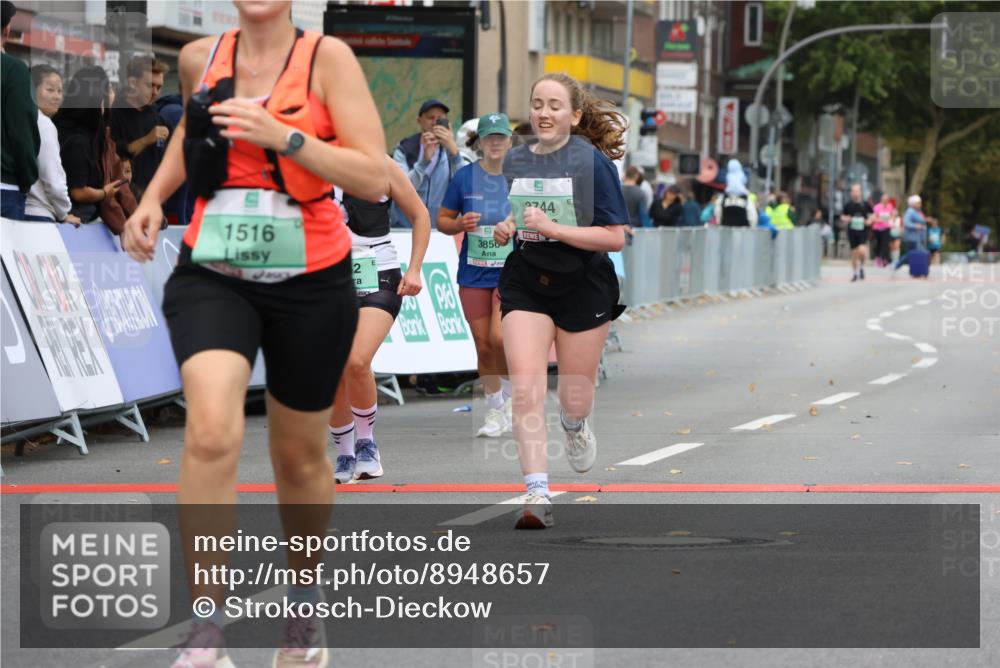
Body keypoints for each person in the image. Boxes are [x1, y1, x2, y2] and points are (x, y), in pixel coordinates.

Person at [120, 1, 388, 665]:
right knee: (211, 429)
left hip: (312, 278)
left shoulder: (327, 59)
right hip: (214, 270)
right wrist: (152, 201)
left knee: (298, 458)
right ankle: (206, 629)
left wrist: (285, 137)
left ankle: (303, 609)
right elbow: (191, 142)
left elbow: (374, 175)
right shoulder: (198, 58)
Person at [492, 72, 627, 529]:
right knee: (526, 387)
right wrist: (507, 227)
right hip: (527, 280)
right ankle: (536, 492)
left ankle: (575, 425)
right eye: (537, 104)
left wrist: (554, 230)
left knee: (574, 396)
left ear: (574, 114)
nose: (543, 113)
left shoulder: (591, 164)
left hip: (584, 283)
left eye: (554, 105)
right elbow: (519, 215)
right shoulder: (516, 159)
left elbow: (613, 238)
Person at [329, 155, 429, 483]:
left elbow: (420, 215)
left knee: (356, 360)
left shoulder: (381, 165)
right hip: (327, 278)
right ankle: (344, 453)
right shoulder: (309, 159)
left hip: (379, 275)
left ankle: (366, 444)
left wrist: (414, 268)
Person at [438, 113, 515, 438]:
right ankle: (496, 409)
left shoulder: (518, 178)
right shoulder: (464, 178)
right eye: (489, 137)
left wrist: (513, 226)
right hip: (473, 273)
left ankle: (512, 401)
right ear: (479, 142)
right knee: (483, 346)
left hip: (511, 274)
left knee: (500, 339)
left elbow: (535, 216)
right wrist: (459, 225)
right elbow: (442, 219)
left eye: (501, 137)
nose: (495, 143)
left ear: (510, 141)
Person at [54, 66, 137, 228]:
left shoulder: (84, 132)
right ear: (99, 98)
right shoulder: (79, 140)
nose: (113, 94)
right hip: (76, 222)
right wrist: (104, 192)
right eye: (110, 88)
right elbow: (78, 193)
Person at [390, 99, 464, 228]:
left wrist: (454, 153)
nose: (435, 122)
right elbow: (400, 189)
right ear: (420, 121)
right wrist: (423, 162)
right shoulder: (404, 149)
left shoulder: (452, 150)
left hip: (440, 230)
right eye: (430, 117)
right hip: (405, 228)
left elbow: (465, 186)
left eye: (440, 118)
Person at [0, 1, 40, 220]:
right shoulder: (14, 70)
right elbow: (22, 133)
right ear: (6, 30)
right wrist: (27, 179)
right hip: (4, 189)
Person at [24, 65, 79, 225]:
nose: (57, 97)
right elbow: (53, 180)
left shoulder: (22, 119)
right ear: (32, 90)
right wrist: (64, 212)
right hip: (39, 213)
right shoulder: (43, 123)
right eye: (50, 90)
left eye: (60, 91)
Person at [110, 56, 170, 200]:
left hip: (154, 198)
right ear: (132, 83)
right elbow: (115, 156)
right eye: (150, 85)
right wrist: (146, 140)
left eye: (159, 87)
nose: (155, 92)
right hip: (124, 199)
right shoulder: (115, 113)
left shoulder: (155, 113)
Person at [841, 184, 873, 281]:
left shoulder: (865, 204)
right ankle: (855, 273)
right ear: (851, 193)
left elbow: (873, 215)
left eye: (857, 191)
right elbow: (842, 216)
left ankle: (862, 266)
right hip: (852, 231)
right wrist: (847, 219)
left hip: (863, 231)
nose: (855, 193)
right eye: (853, 191)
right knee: (854, 254)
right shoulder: (848, 205)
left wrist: (869, 221)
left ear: (860, 192)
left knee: (862, 251)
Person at [893, 195, 931, 273]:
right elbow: (906, 223)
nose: (920, 204)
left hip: (916, 237)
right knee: (918, 252)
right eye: (918, 203)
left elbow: (921, 220)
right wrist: (916, 226)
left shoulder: (915, 212)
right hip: (912, 237)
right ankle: (919, 269)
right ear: (913, 203)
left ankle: (899, 266)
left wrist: (926, 220)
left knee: (910, 253)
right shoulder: (910, 211)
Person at [714, 159, 757, 227]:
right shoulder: (746, 198)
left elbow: (718, 214)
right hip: (743, 233)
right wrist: (752, 227)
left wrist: (719, 224)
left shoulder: (722, 199)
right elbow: (752, 216)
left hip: (726, 232)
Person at [871, 192, 896, 267]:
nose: (885, 201)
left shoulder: (890, 206)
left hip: (886, 228)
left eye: (887, 199)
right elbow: (874, 218)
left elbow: (892, 216)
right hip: (877, 228)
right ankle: (878, 258)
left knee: (885, 244)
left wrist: (892, 220)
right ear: (881, 200)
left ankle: (885, 259)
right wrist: (881, 220)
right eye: (884, 199)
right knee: (878, 244)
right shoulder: (877, 207)